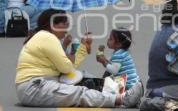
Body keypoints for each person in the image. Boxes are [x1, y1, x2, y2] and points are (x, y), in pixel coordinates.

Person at [15, 9, 144, 108]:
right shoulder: (47, 37)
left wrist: (82, 46)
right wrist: (82, 48)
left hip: (41, 84)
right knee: (79, 92)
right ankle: (121, 99)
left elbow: (69, 66)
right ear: (52, 25)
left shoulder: (44, 37)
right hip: (34, 88)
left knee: (83, 77)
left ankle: (120, 92)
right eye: (65, 23)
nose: (67, 27)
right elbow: (67, 67)